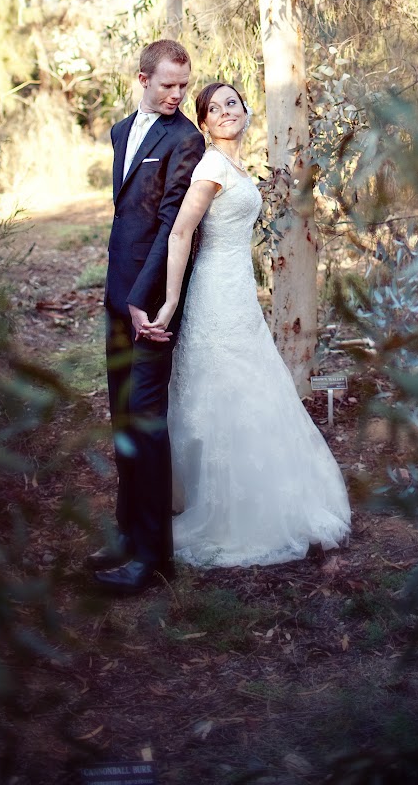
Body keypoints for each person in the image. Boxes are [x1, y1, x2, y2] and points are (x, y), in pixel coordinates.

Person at [142, 81, 351, 567]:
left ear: (245, 109)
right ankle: (223, 511)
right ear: (205, 123)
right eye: (213, 109)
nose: (225, 112)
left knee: (250, 387)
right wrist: (171, 301)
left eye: (231, 103)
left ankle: (260, 494)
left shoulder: (234, 165)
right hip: (215, 295)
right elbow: (180, 230)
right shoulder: (213, 165)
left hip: (238, 290)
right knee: (224, 390)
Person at [90, 38, 206, 596]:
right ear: (142, 79)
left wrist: (142, 300)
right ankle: (126, 537)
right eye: (167, 85)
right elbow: (125, 222)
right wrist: (118, 296)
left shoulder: (186, 140)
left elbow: (169, 227)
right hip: (117, 298)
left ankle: (153, 558)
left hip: (152, 305)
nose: (177, 95)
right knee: (121, 420)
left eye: (183, 85)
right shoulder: (119, 132)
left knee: (147, 423)